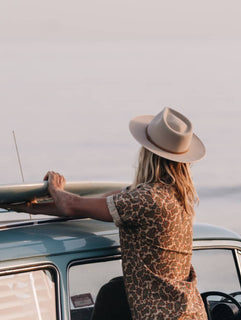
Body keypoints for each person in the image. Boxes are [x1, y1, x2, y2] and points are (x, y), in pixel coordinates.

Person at [4, 107, 207, 320]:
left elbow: (71, 206)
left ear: (147, 153)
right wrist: (27, 207)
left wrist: (55, 186)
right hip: (191, 311)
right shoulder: (176, 197)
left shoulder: (145, 200)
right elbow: (84, 205)